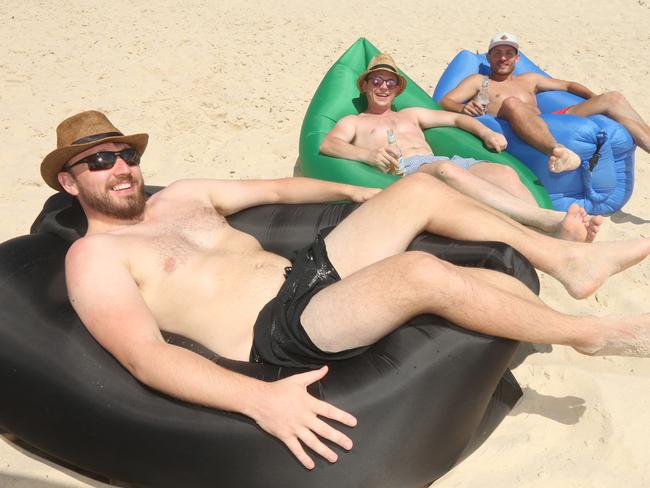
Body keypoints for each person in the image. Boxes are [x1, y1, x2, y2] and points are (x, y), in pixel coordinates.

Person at [45, 110, 650, 471]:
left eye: (124, 154)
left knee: (422, 192)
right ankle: (591, 335)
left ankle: (570, 262)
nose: (120, 168)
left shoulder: (181, 196)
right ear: (71, 183)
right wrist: (259, 400)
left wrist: (367, 198)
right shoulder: (94, 255)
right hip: (278, 332)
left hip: (306, 273)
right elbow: (145, 355)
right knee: (421, 275)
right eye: (99, 163)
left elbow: (281, 190)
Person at [320, 53, 602, 243]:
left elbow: (456, 117)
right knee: (446, 170)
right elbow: (329, 144)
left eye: (390, 82)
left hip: (442, 161)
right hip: (408, 171)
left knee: (502, 172)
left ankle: (549, 236)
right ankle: (549, 222)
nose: (383, 87)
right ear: (365, 85)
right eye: (376, 81)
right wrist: (368, 155)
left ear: (397, 89)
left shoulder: (411, 114)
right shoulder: (355, 121)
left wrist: (485, 131)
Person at [439, 32, 650, 173]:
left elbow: (568, 86)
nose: (503, 58)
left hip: (550, 121)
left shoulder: (529, 79)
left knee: (614, 98)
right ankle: (557, 152)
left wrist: (594, 98)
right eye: (497, 54)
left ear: (517, 58)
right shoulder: (479, 81)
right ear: (489, 57)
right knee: (512, 103)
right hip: (514, 130)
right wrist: (462, 107)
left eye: (509, 54)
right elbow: (445, 100)